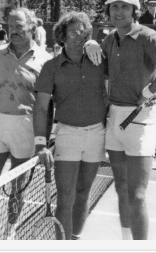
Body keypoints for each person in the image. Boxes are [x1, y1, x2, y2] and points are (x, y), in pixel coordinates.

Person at [84, 0, 156, 240]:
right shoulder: (109, 39)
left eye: (124, 7)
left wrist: (150, 91)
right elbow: (100, 68)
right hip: (114, 118)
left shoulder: (148, 36)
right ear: (108, 11)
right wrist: (91, 42)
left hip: (141, 120)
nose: (119, 11)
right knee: (121, 187)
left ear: (134, 11)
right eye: (114, 7)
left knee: (137, 195)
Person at [0, 7, 52, 240]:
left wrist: (43, 136)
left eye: (19, 26)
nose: (14, 31)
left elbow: (48, 102)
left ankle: (10, 231)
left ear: (31, 27)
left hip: (26, 127)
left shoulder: (45, 59)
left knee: (18, 187)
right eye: (10, 26)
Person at [34, 12, 108, 240]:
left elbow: (120, 42)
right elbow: (41, 108)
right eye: (73, 31)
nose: (79, 35)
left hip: (97, 134)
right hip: (67, 135)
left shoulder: (100, 60)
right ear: (62, 36)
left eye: (83, 31)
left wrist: (97, 43)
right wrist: (40, 144)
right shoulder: (51, 67)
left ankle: (74, 239)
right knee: (65, 198)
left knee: (84, 193)